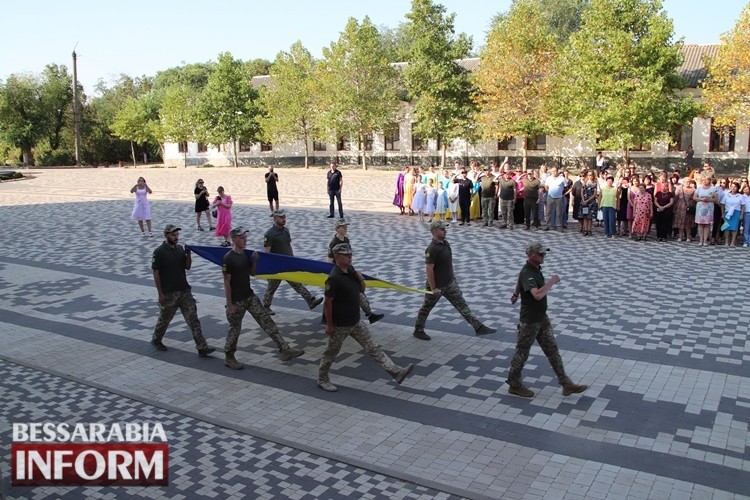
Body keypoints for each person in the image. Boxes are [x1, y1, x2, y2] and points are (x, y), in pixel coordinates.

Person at [317, 243, 414, 392]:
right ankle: (322, 379)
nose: (350, 257)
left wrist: (360, 278)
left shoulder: (351, 270)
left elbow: (361, 290)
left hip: (355, 321)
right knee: (330, 353)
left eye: (351, 254)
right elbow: (327, 303)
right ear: (337, 257)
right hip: (340, 324)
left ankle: (396, 372)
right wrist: (329, 325)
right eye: (346, 255)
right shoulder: (334, 278)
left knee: (373, 348)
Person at [506, 241, 588, 398]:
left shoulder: (534, 269)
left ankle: (566, 383)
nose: (544, 256)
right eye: (541, 254)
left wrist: (516, 293)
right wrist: (552, 281)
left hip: (541, 318)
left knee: (552, 350)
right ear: (531, 255)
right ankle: (514, 384)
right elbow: (537, 295)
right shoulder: (528, 272)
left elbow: (520, 279)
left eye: (544, 253)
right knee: (522, 353)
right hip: (529, 321)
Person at [222, 226, 305, 370]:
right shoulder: (228, 258)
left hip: (249, 296)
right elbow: (227, 282)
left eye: (245, 237)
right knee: (235, 329)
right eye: (241, 238)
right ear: (234, 239)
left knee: (267, 321)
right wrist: (229, 304)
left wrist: (254, 261)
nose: (245, 240)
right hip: (237, 301)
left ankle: (284, 348)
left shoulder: (245, 254)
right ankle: (229, 357)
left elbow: (252, 274)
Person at [413, 221, 496, 340]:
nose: (445, 230)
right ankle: (418, 329)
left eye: (444, 228)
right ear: (435, 231)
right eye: (442, 229)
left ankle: (478, 327)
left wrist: (453, 277)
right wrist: (433, 288)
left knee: (462, 305)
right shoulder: (432, 249)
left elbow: (448, 263)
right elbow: (429, 269)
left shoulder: (445, 243)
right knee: (426, 307)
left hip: (450, 283)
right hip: (437, 286)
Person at [151, 224, 215, 356]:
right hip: (169, 293)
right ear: (166, 235)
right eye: (173, 235)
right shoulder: (159, 252)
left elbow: (187, 267)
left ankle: (202, 347)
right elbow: (156, 273)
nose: (176, 237)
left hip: (184, 291)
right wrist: (160, 294)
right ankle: (156, 339)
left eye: (177, 235)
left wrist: (188, 255)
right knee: (165, 319)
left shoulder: (179, 249)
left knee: (193, 319)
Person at [262, 210, 324, 313]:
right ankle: (265, 306)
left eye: (284, 217)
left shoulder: (286, 231)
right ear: (275, 218)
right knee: (272, 287)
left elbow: (288, 245)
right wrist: (269, 267)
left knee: (297, 283)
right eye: (281, 218)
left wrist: (293, 259)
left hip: (288, 264)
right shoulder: (270, 234)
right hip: (277, 267)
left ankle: (310, 300)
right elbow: (267, 252)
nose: (284, 219)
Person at [326, 219, 384, 324]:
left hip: (348, 269)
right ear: (337, 229)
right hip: (340, 272)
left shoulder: (346, 240)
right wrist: (332, 273)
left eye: (346, 227)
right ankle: (369, 314)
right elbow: (330, 259)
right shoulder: (334, 243)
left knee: (356, 292)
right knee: (339, 296)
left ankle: (369, 314)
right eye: (343, 227)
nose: (345, 229)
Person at [694, 175, 718, 246]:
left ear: (710, 181)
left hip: (709, 207)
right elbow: (694, 197)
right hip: (700, 207)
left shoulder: (713, 189)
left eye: (707, 180)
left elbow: (716, 199)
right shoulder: (699, 188)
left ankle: (705, 240)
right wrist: (701, 199)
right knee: (700, 223)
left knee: (707, 224)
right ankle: (700, 240)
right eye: (704, 180)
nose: (705, 181)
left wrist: (708, 199)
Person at [721, 182, 744, 247]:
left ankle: (733, 242)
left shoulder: (740, 196)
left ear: (737, 188)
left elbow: (743, 206)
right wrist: (722, 214)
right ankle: (726, 241)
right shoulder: (726, 195)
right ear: (730, 187)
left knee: (735, 227)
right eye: (732, 186)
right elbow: (722, 204)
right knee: (726, 227)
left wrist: (741, 215)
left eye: (735, 187)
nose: (733, 188)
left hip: (736, 212)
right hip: (727, 212)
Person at [543, 167, 567, 231]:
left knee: (559, 212)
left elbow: (565, 187)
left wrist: (560, 193)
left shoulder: (562, 178)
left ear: (558, 171)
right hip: (550, 197)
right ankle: (547, 225)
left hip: (559, 197)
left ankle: (559, 226)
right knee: (548, 212)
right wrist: (549, 192)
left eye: (555, 171)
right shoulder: (548, 178)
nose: (553, 172)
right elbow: (546, 186)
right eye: (552, 171)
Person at [579, 171, 598, 236]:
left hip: (591, 202)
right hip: (584, 202)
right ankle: (585, 230)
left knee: (590, 217)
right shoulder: (585, 183)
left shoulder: (595, 184)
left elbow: (595, 193)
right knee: (585, 216)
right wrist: (584, 200)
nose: (590, 176)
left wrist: (588, 200)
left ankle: (589, 230)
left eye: (591, 175)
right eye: (589, 175)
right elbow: (582, 192)